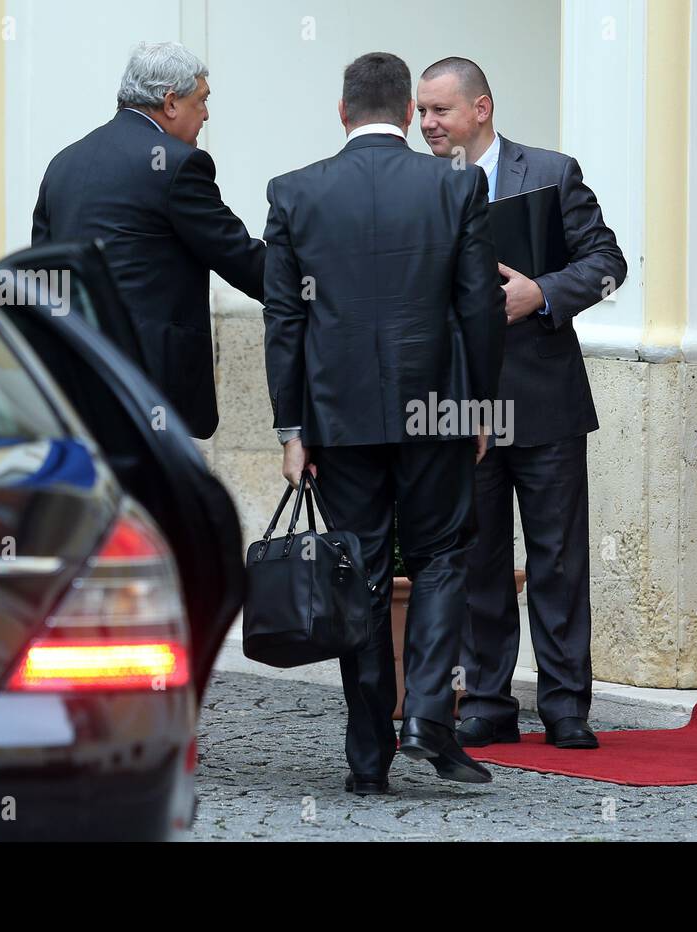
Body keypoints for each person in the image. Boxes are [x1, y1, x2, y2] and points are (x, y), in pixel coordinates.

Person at [262, 52, 506, 795]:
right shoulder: (456, 184)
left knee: (359, 577)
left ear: (343, 112)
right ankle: (429, 715)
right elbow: (478, 308)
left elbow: (284, 320)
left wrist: (290, 428)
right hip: (436, 407)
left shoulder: (294, 192)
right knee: (439, 557)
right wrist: (481, 405)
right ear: (407, 113)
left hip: (339, 419)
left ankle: (367, 761)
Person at [416, 57, 628, 750]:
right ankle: (487, 702)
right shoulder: (417, 185)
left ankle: (566, 705)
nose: (427, 124)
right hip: (460, 405)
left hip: (545, 402)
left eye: (439, 110)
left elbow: (608, 265)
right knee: (476, 557)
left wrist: (542, 293)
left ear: (482, 108)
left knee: (557, 558)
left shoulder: (552, 172)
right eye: (420, 111)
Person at [31, 41, 265, 440]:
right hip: (150, 386)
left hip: (75, 379)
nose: (206, 115)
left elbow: (43, 276)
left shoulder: (63, 163)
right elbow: (240, 258)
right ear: (170, 103)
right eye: (201, 101)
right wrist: (318, 286)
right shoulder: (177, 165)